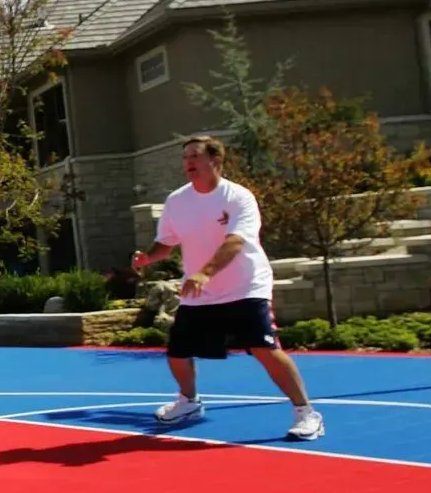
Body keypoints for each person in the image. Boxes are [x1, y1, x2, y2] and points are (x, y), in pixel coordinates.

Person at [131, 135, 325, 442]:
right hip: (200, 292)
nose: (188, 163)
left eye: (195, 156)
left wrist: (205, 272)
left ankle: (306, 413)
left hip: (245, 286)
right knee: (178, 350)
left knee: (265, 349)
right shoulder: (177, 201)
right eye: (185, 158)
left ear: (215, 161)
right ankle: (188, 402)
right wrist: (148, 257)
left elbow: (236, 241)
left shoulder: (238, 197)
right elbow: (166, 242)